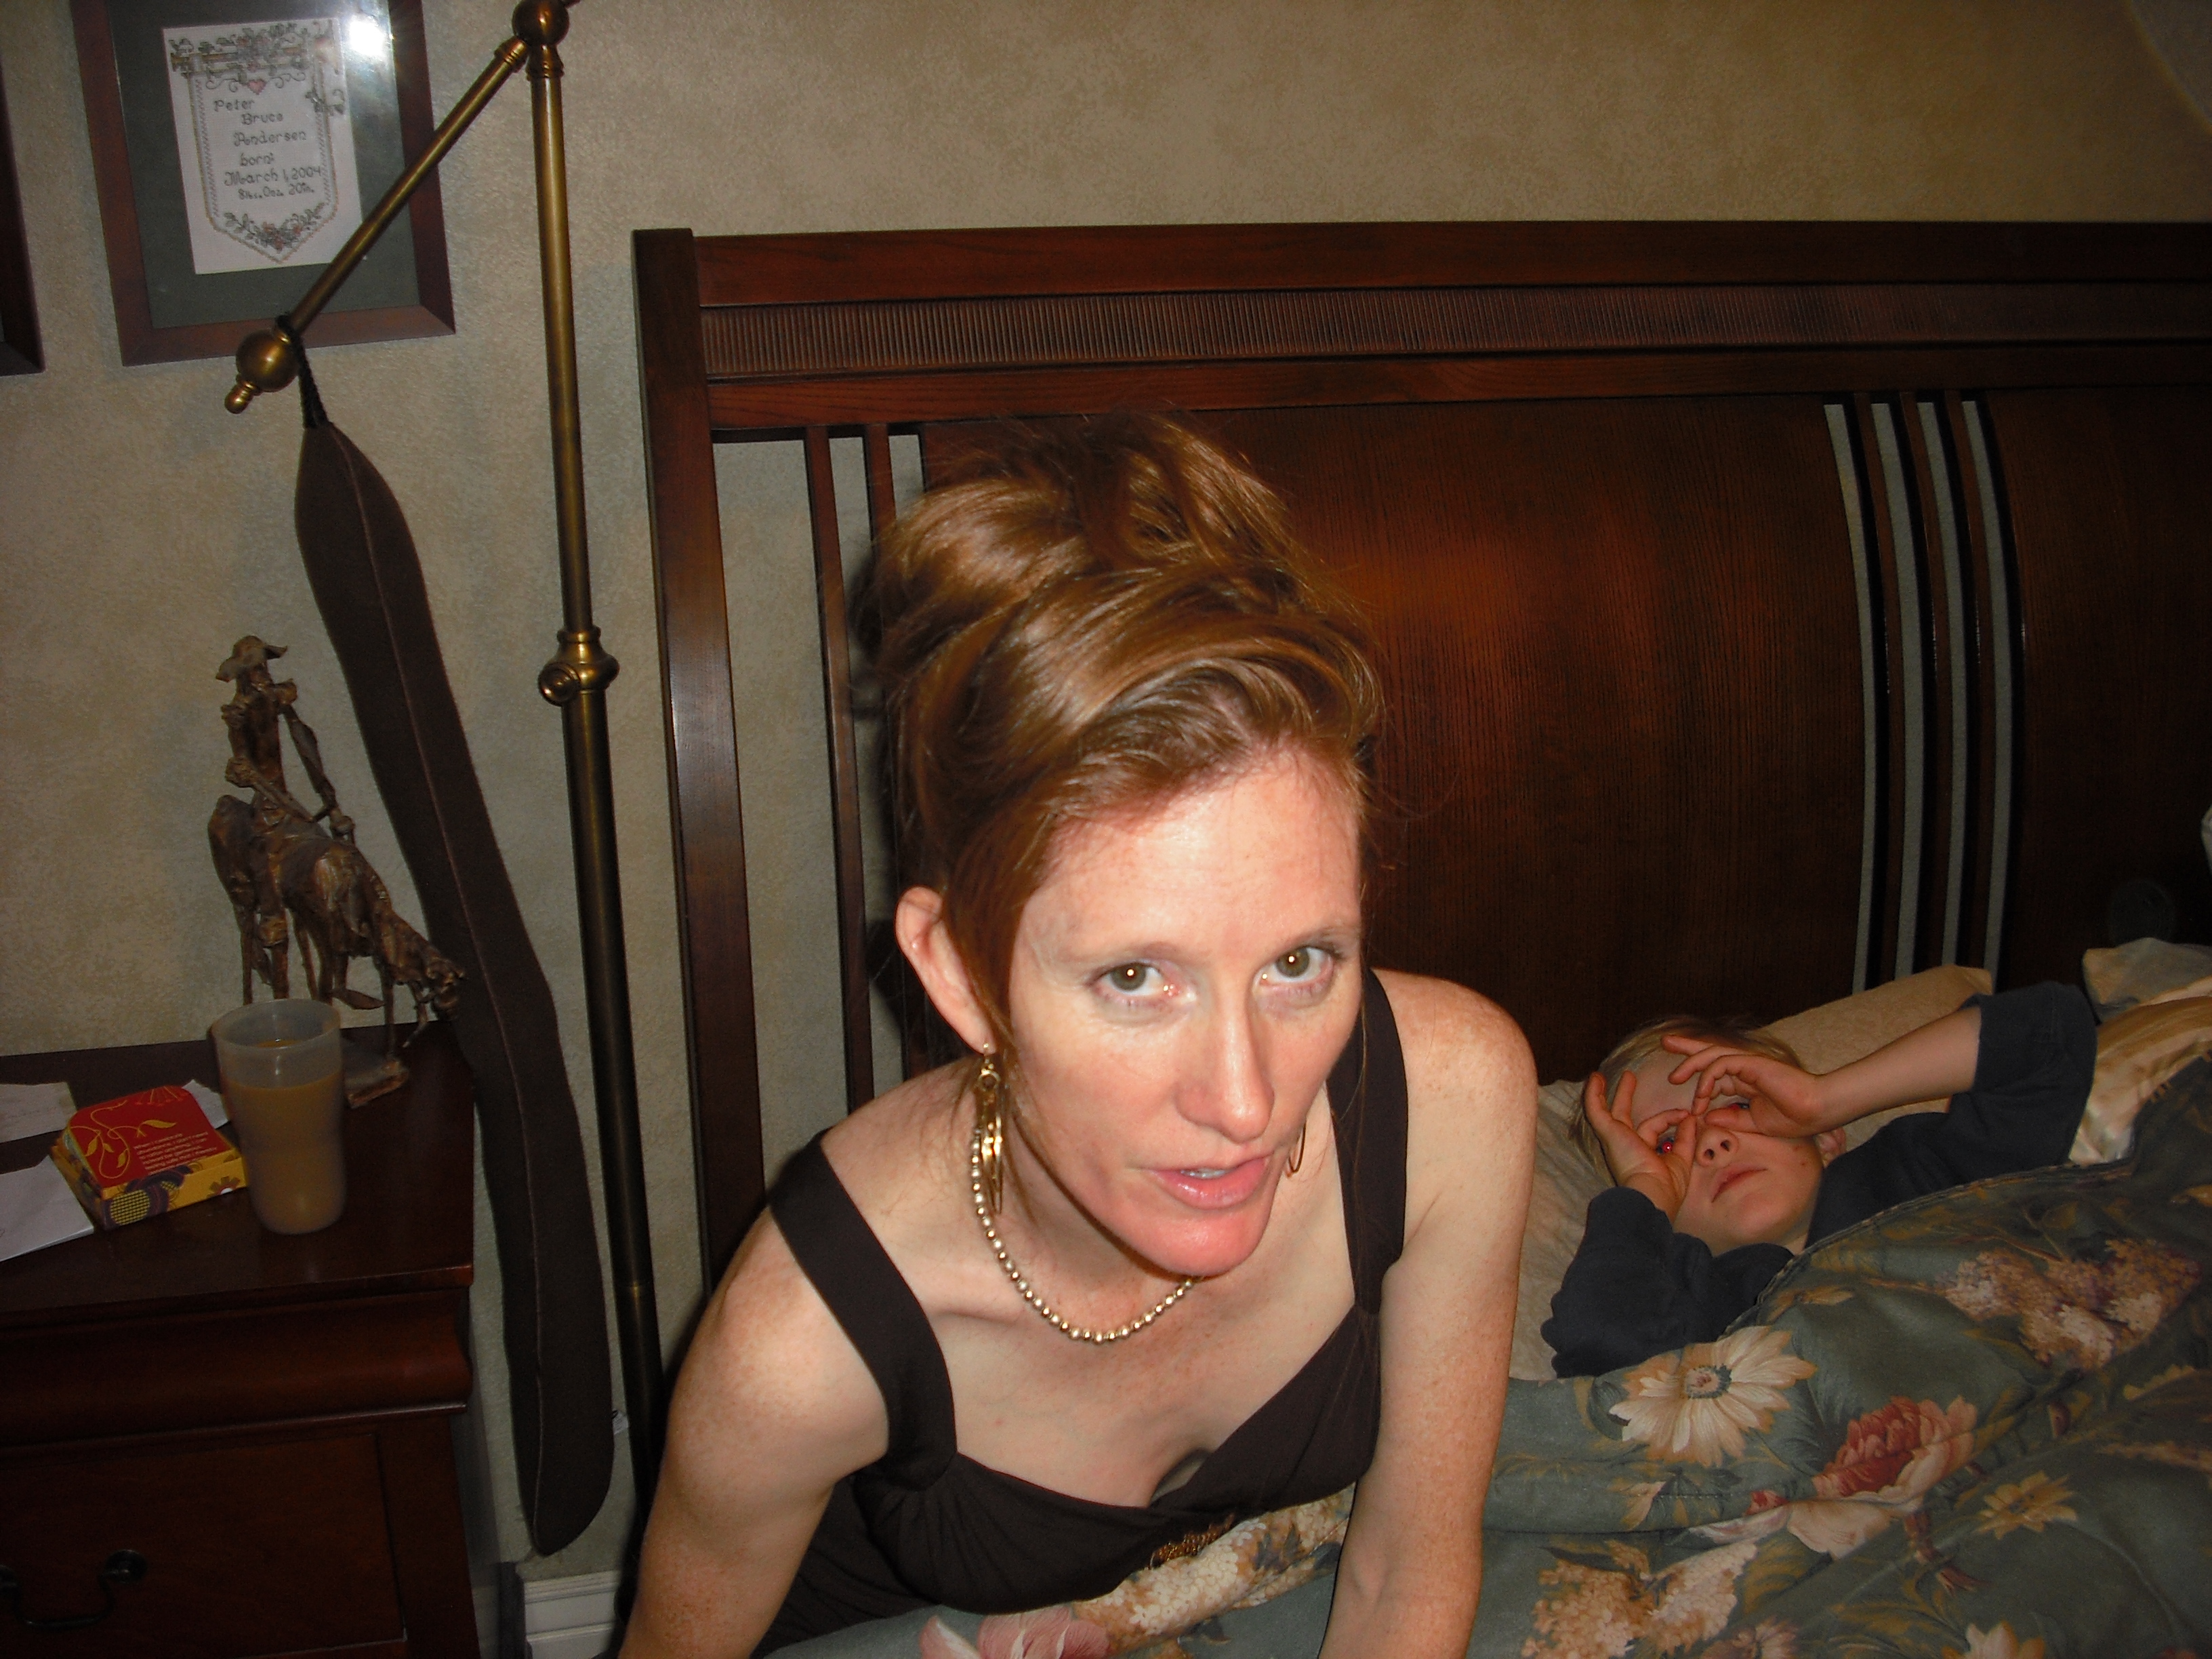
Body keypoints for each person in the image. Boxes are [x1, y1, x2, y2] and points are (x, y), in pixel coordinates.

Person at [622, 417, 1536, 1657]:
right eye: (1133, 978)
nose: (1246, 1101)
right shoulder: (803, 1339)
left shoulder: (1456, 1100)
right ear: (960, 974)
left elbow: (1406, 1572)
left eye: (1297, 962)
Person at [1543, 982, 2096, 1379]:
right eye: (1668, 1144)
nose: (1710, 1142)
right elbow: (1607, 1347)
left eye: (1737, 1103)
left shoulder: (1915, 1168)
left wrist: (1827, 1097)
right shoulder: (1694, 1297)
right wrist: (1642, 1195)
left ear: (1827, 1137)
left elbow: (2050, 1037)